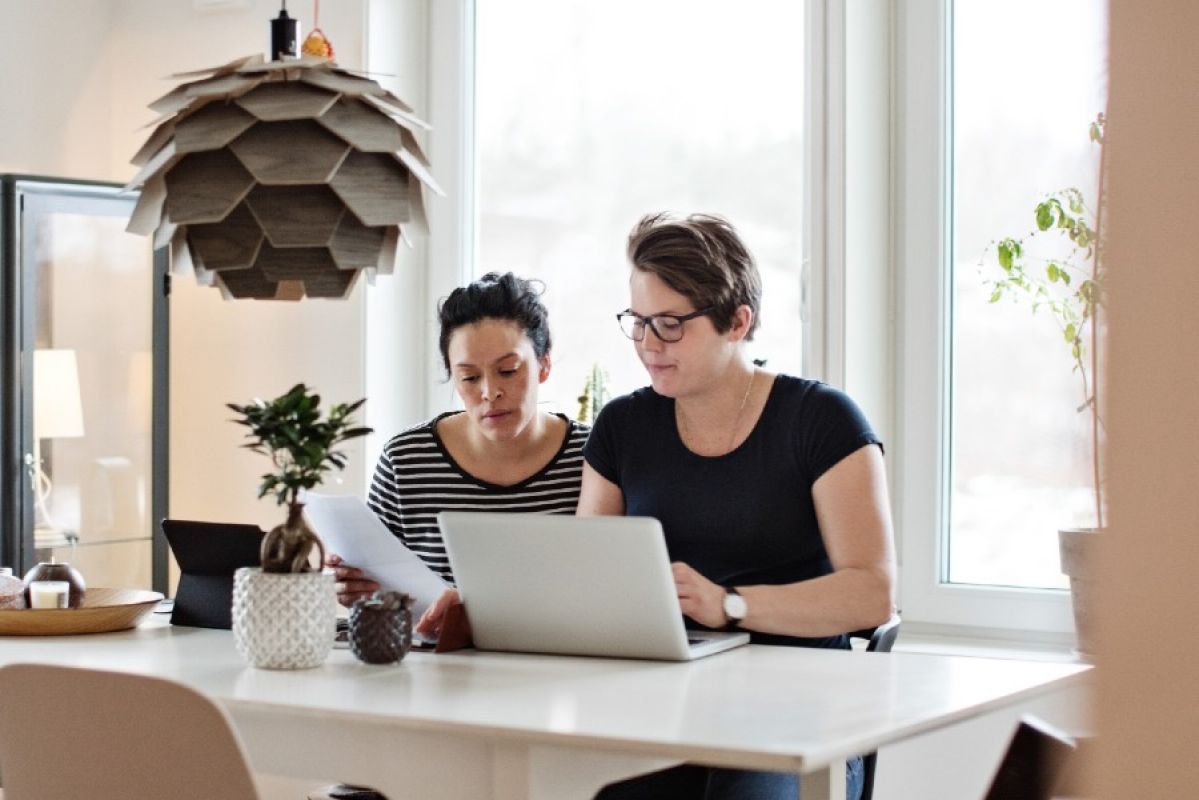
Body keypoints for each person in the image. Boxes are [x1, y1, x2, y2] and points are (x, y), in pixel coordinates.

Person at [580, 213, 897, 800]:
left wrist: (729, 605)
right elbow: (590, 576)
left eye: (671, 325)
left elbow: (872, 592)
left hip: (804, 715)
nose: (649, 344)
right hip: (663, 707)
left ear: (737, 321)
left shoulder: (822, 420)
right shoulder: (623, 426)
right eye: (639, 322)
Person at [328, 272, 589, 637]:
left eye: (508, 371)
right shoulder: (407, 461)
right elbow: (385, 596)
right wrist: (360, 591)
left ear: (544, 364)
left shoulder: (591, 456)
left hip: (558, 670)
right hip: (436, 673)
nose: (489, 392)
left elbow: (599, 593)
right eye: (468, 377)